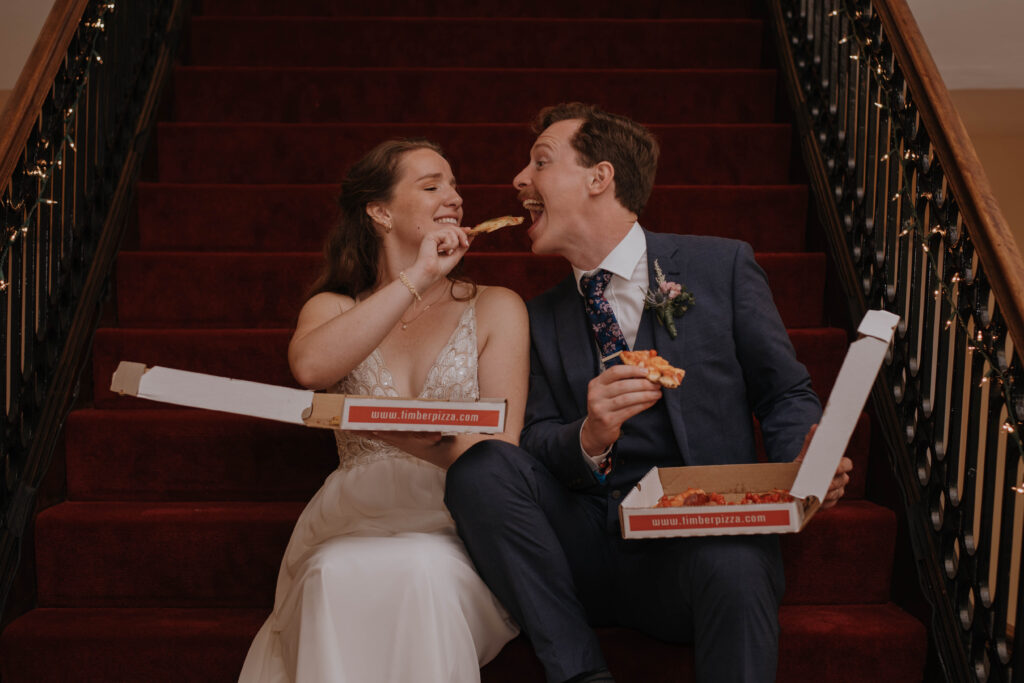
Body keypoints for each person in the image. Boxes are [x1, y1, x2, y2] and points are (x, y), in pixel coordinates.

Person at [444, 103, 854, 683]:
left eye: (540, 162)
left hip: (695, 544)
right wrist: (589, 437)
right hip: (580, 550)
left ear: (599, 177)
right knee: (479, 466)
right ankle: (583, 675)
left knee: (738, 562)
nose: (518, 180)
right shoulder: (533, 317)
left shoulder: (722, 266)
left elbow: (784, 393)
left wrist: (804, 468)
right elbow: (530, 441)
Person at [238, 139, 527, 683]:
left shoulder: (496, 306)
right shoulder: (333, 308)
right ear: (380, 211)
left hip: (456, 523)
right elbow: (311, 369)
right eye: (432, 185)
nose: (456, 198)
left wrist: (401, 436)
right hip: (352, 521)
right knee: (331, 574)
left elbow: (499, 452)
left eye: (456, 185)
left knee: (423, 572)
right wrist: (416, 279)